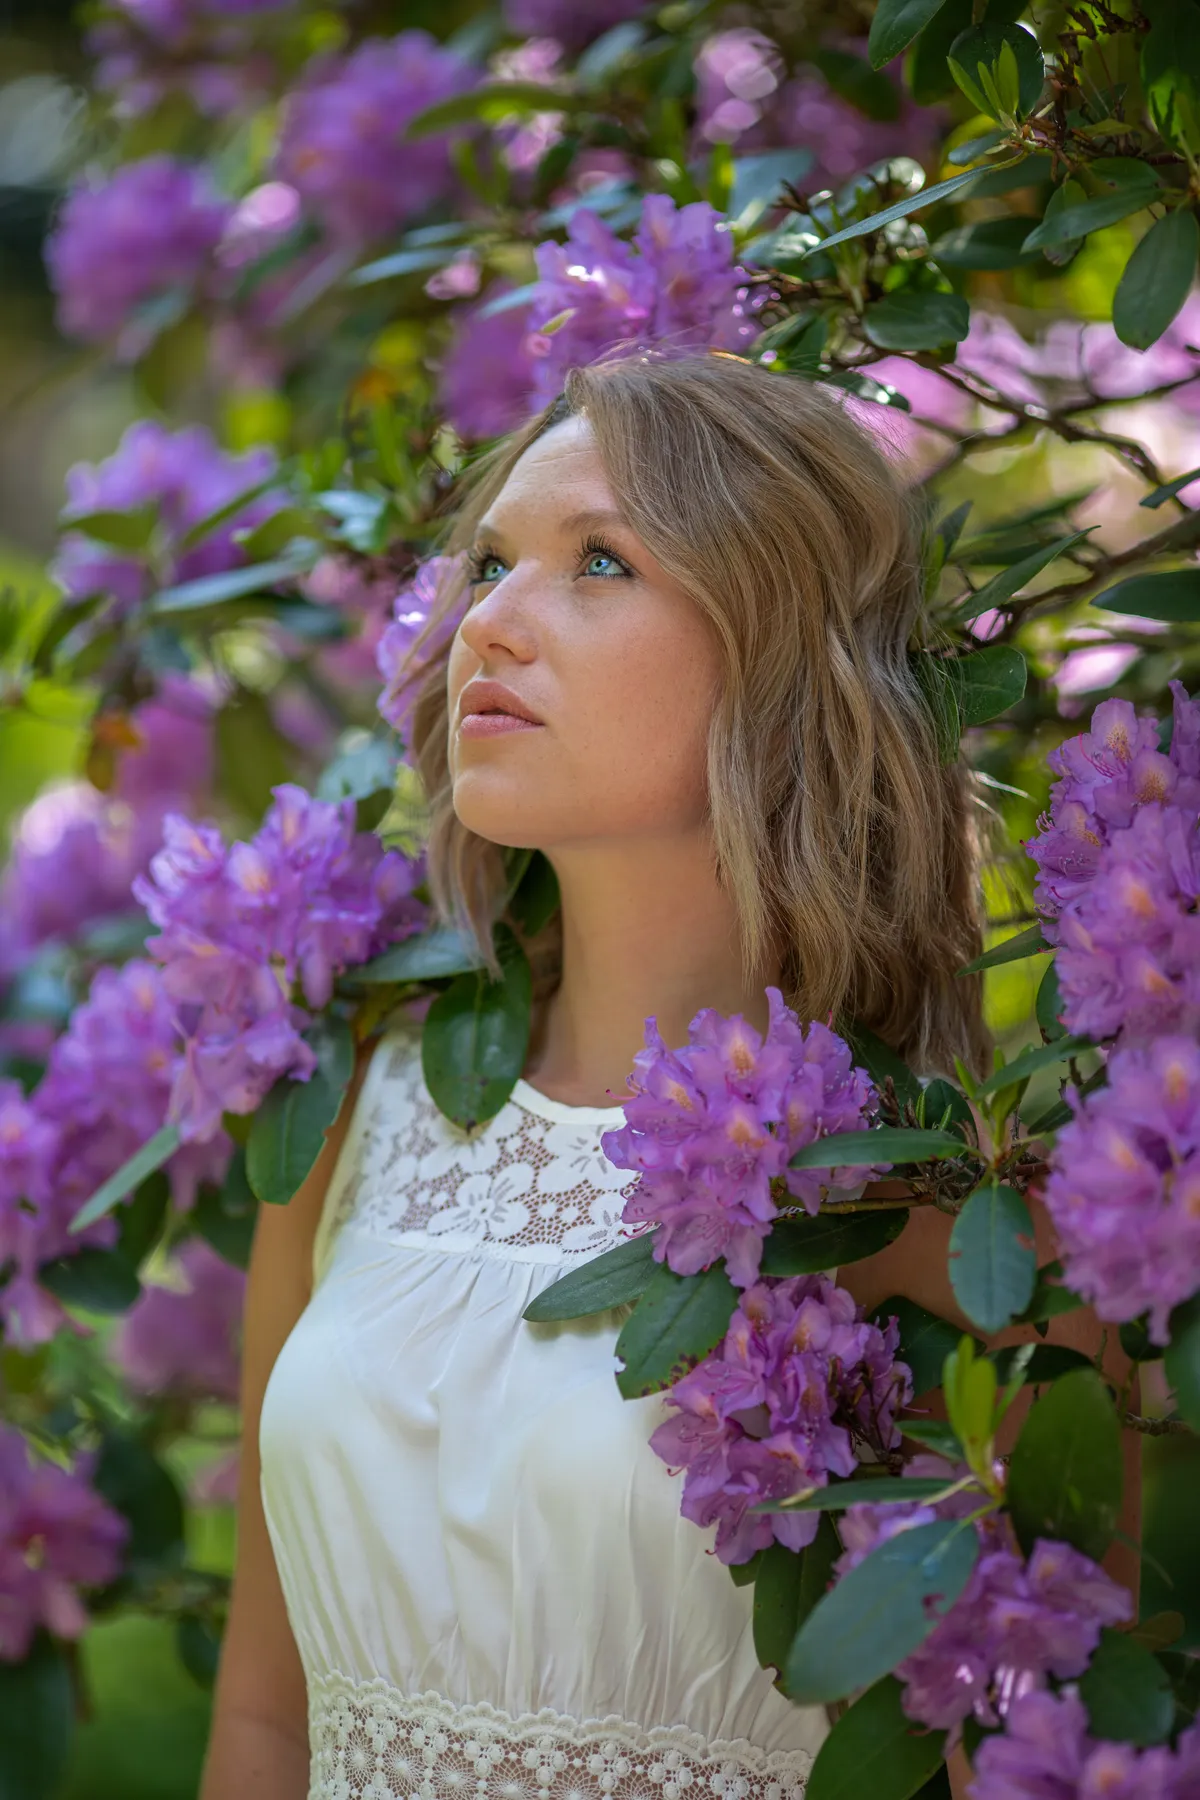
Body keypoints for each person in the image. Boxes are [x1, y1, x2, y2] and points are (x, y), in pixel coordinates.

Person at [199, 351, 1023, 1799]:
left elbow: (1011, 1743)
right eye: (489, 564)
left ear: (780, 651)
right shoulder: (350, 1109)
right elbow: (266, 1723)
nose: (486, 624)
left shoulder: (937, 1219)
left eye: (599, 561)